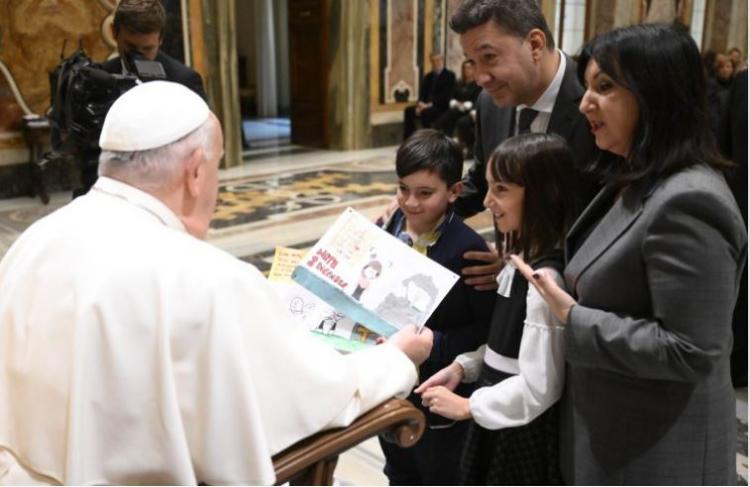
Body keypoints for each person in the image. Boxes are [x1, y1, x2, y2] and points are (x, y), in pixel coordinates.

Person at [0, 80, 434, 485]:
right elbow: (319, 397)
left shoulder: (34, 240)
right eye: (218, 168)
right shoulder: (209, 281)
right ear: (194, 171)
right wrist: (396, 359)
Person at [512, 23, 746, 484]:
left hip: (660, 452)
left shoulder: (689, 201)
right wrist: (555, 270)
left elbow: (692, 350)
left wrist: (571, 316)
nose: (584, 104)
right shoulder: (634, 177)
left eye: (605, 87)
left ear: (656, 95)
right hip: (613, 433)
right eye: (587, 86)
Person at [415, 133, 577, 485]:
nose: (488, 201)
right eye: (488, 188)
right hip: (497, 411)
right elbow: (509, 346)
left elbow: (540, 386)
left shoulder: (544, 281)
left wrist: (467, 406)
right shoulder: (515, 264)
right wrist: (465, 366)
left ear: (543, 193)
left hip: (519, 430)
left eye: (501, 190)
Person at [430, 0, 601, 292]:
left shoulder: (595, 103)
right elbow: (483, 179)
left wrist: (532, 260)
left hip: (576, 290)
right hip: (509, 286)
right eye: (474, 62)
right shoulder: (490, 103)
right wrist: (429, 206)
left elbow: (603, 215)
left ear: (535, 44)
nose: (481, 78)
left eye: (490, 57)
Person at [377, 129, 496, 485]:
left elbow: (487, 329)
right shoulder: (391, 225)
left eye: (425, 193)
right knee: (398, 466)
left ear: (454, 192)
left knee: (439, 472)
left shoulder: (468, 251)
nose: (411, 202)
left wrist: (438, 343)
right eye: (403, 189)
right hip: (392, 383)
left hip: (440, 388)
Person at [70, 0, 209, 197]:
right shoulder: (98, 77)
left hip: (166, 193)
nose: (138, 57)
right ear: (114, 33)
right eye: (130, 47)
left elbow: (204, 142)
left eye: (147, 49)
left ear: (160, 39)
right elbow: (86, 145)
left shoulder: (184, 80)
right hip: (109, 192)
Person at [433, 60, 482, 155]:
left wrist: (468, 106)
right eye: (465, 68)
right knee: (445, 118)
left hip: (471, 111)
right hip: (458, 109)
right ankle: (445, 144)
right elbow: (451, 96)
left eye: (469, 68)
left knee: (462, 122)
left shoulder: (478, 84)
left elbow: (478, 99)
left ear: (474, 69)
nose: (467, 70)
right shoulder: (459, 83)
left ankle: (467, 148)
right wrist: (455, 103)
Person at [403, 53, 456, 140]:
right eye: (433, 61)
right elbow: (422, 93)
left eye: (438, 60)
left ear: (442, 61)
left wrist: (427, 105)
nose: (436, 63)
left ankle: (427, 140)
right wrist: (419, 104)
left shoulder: (449, 75)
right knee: (408, 111)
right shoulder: (428, 76)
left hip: (441, 106)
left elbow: (446, 95)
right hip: (425, 105)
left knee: (426, 113)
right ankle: (408, 139)